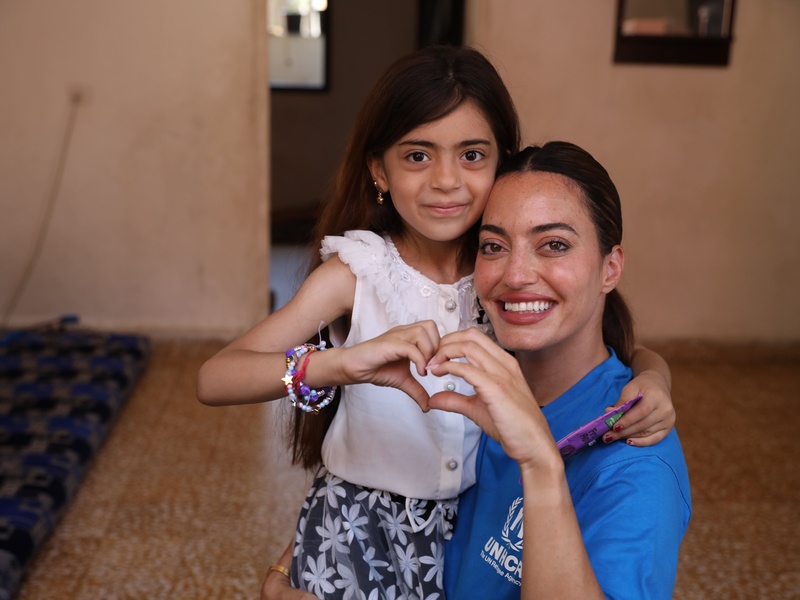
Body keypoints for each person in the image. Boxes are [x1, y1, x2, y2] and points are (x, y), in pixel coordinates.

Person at [198, 46, 675, 600]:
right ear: (379, 169)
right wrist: (337, 364)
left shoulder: (503, 275)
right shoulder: (359, 272)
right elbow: (216, 378)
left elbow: (605, 336)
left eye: (472, 155)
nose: (446, 181)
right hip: (356, 529)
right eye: (418, 156)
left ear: (502, 163)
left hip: (462, 531)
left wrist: (655, 375)